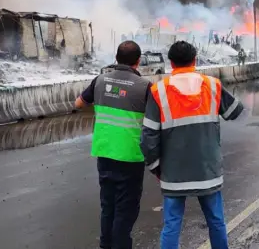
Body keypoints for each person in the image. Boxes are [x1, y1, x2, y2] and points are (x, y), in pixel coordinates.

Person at [140, 41, 244, 249]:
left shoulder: (158, 91)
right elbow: (235, 111)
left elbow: (148, 137)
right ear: (195, 60)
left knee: (172, 225)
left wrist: (156, 167)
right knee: (216, 221)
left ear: (171, 62)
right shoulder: (212, 85)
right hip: (208, 170)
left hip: (173, 173)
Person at [75, 41, 151, 249]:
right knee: (125, 211)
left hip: (104, 152)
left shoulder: (100, 81)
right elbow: (157, 118)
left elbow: (79, 103)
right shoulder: (145, 86)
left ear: (116, 58)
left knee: (108, 207)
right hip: (130, 156)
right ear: (138, 61)